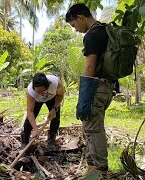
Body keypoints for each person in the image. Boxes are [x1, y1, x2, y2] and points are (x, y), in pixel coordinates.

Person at [65, 3, 114, 177]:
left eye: (74, 25)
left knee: (93, 128)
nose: (76, 30)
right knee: (92, 127)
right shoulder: (106, 30)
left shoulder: (92, 35)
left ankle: (99, 170)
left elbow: (90, 68)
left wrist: (84, 98)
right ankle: (92, 167)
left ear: (80, 17)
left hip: (96, 87)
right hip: (108, 87)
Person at [21, 72, 64, 150]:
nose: (41, 94)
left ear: (48, 86)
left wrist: (54, 108)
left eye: (43, 91)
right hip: (37, 101)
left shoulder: (55, 82)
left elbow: (60, 95)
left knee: (55, 117)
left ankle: (51, 140)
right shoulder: (30, 91)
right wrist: (36, 129)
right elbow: (30, 111)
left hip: (52, 98)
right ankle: (25, 140)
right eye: (38, 92)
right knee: (29, 120)